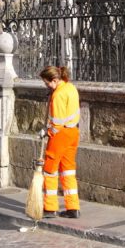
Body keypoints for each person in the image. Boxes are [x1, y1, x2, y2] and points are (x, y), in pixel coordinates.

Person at [39, 65, 81, 219]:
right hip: (73, 133)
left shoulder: (58, 95)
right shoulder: (71, 88)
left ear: (55, 80)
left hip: (60, 135)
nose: (46, 86)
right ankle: (73, 207)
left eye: (47, 83)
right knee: (68, 170)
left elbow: (57, 123)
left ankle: (50, 208)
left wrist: (46, 131)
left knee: (50, 170)